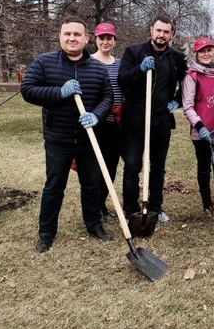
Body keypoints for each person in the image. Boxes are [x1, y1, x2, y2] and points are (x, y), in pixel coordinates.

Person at [21, 17, 114, 253]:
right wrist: (59, 92)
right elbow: (28, 90)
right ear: (60, 37)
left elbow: (107, 97)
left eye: (77, 34)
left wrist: (96, 116)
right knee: (54, 186)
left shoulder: (98, 69)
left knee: (91, 185)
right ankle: (46, 233)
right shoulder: (45, 62)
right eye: (67, 34)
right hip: (58, 138)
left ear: (86, 38)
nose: (72, 38)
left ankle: (94, 226)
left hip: (89, 138)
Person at [117, 15, 187, 224]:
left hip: (161, 119)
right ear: (151, 30)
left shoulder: (175, 57)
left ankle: (155, 206)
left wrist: (177, 101)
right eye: (158, 30)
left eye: (166, 32)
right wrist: (139, 69)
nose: (161, 35)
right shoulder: (134, 52)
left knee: (158, 166)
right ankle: (130, 210)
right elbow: (122, 78)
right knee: (132, 165)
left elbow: (188, 83)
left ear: (171, 34)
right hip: (135, 118)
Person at [182, 37, 214, 218]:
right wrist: (199, 126)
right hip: (202, 132)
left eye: (208, 50)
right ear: (196, 54)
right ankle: (206, 202)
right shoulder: (192, 76)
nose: (206, 54)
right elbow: (188, 106)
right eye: (202, 51)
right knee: (204, 167)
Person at [90, 22, 124, 219]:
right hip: (95, 123)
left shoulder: (119, 64)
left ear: (114, 41)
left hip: (115, 123)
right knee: (94, 167)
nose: (105, 41)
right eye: (101, 38)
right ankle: (93, 208)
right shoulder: (89, 62)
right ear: (95, 39)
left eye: (109, 38)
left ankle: (102, 204)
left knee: (110, 167)